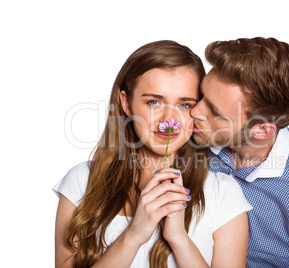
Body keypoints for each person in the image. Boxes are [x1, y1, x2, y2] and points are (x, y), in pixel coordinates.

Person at [53, 40, 252, 268]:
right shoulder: (82, 181)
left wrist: (179, 238)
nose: (170, 119)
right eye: (154, 102)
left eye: (185, 104)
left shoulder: (223, 193)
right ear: (126, 103)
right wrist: (134, 235)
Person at [190, 37, 289, 267]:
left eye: (215, 112)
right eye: (201, 95)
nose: (194, 111)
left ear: (262, 130)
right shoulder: (188, 137)